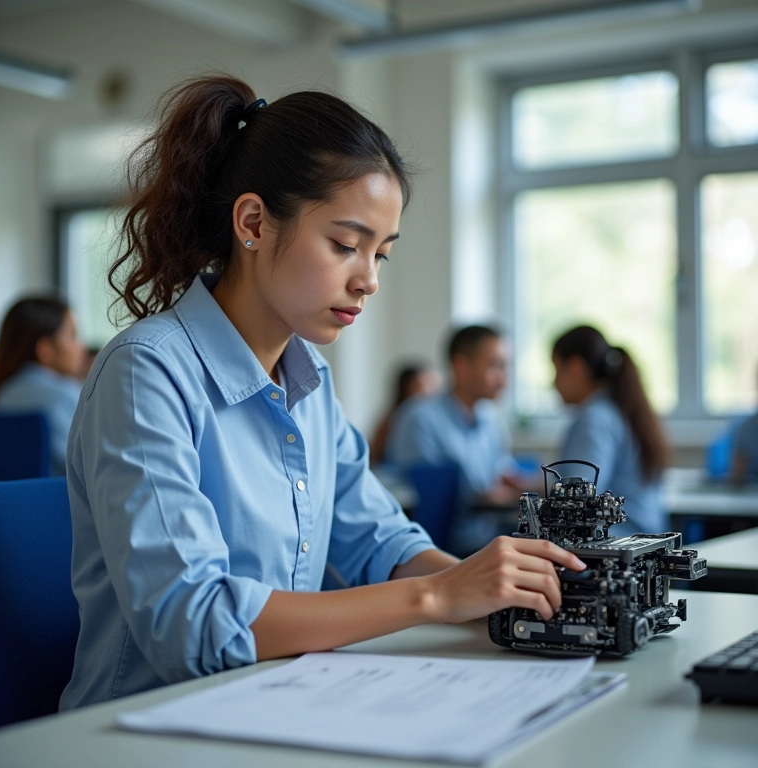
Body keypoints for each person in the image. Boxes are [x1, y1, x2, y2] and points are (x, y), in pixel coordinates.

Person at [59, 75, 585, 710]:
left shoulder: (308, 382)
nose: (368, 281)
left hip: (278, 704)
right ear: (252, 222)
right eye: (345, 245)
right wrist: (439, 597)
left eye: (381, 255)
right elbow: (193, 625)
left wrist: (503, 594)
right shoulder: (146, 373)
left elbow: (380, 544)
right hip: (142, 730)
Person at [386, 325, 528, 555]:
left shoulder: (491, 422)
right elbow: (428, 499)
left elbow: (504, 475)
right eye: (495, 366)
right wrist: (481, 494)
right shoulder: (420, 418)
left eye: (506, 367)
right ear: (461, 366)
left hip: (488, 538)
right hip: (442, 548)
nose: (504, 380)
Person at [551, 325, 670, 535]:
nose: (552, 383)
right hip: (641, 538)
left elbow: (576, 499)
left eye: (556, 370)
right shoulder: (620, 409)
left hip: (616, 543)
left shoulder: (594, 419)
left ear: (575, 368)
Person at [0, 294, 86, 476]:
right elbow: (88, 468)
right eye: (73, 336)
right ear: (45, 349)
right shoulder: (64, 394)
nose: (81, 346)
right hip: (60, 501)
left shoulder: (0, 395)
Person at [369, 362, 441, 466]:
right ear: (408, 386)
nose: (432, 391)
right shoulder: (393, 419)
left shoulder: (432, 418)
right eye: (427, 384)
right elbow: (375, 456)